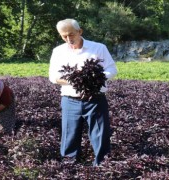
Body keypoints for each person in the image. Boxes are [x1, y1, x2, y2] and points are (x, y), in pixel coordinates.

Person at [49, 18, 118, 166]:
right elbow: (53, 77)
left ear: (80, 31)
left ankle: (101, 166)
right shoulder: (58, 51)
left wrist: (96, 78)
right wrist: (74, 80)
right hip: (70, 99)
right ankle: (69, 166)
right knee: (69, 135)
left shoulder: (99, 48)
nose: (68, 39)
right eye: (63, 36)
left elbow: (112, 69)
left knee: (99, 134)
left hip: (95, 99)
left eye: (71, 34)